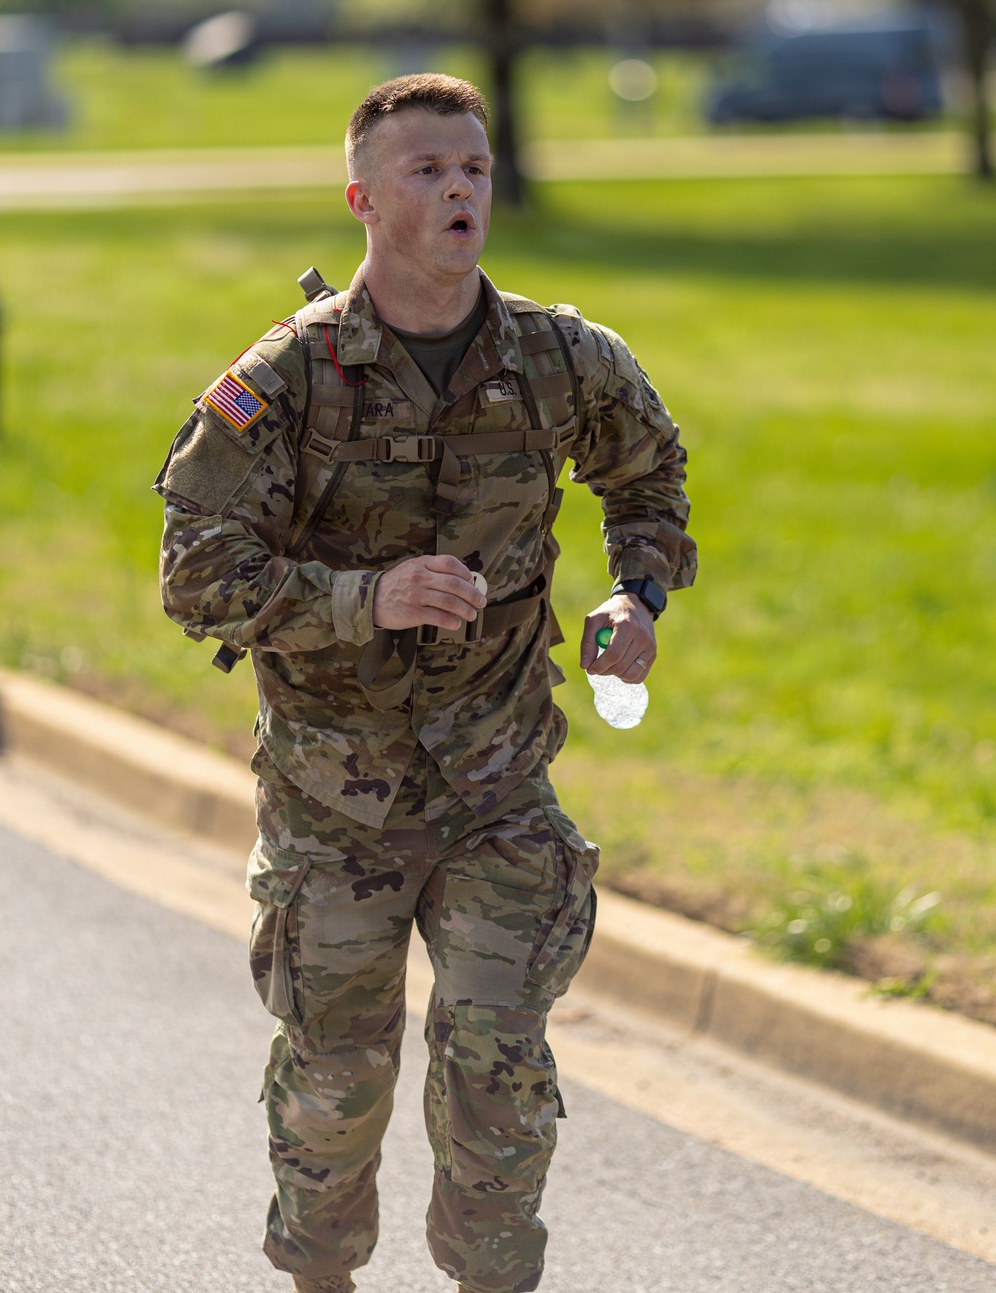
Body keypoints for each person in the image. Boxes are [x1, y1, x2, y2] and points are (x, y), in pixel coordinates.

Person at [155, 73, 696, 1293]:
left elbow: (649, 479)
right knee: (336, 1083)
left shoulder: (563, 358)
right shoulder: (286, 381)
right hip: (335, 802)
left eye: (474, 170)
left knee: (497, 1068)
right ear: (362, 198)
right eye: (426, 172)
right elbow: (194, 573)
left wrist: (635, 597)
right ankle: (320, 1275)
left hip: (500, 781)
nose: (459, 192)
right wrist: (366, 598)